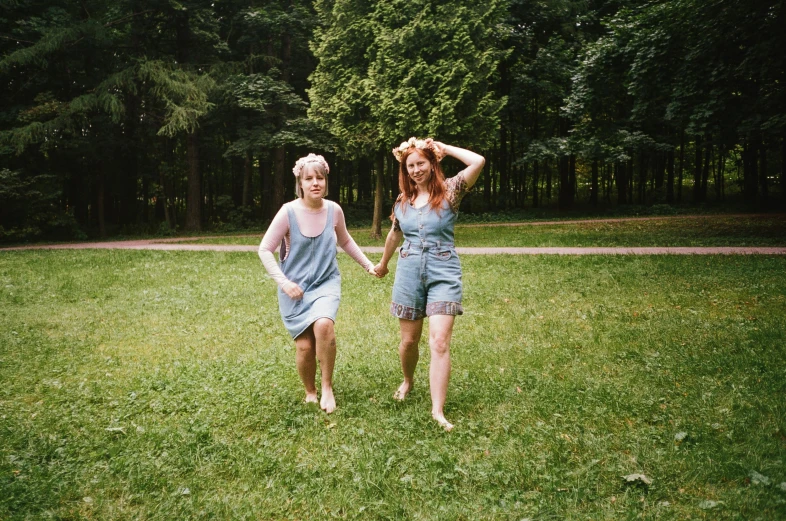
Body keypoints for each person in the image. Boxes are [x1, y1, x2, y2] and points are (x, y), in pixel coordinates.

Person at [374, 137, 485, 431]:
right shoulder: (402, 202)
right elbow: (395, 235)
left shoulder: (450, 191)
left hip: (444, 272)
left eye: (421, 163)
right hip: (408, 272)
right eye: (410, 166)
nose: (416, 170)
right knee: (409, 341)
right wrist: (383, 264)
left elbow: (478, 161)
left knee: (439, 341)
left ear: (431, 163)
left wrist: (444, 148)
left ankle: (438, 410)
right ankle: (408, 380)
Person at [259, 153, 379, 413]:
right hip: (294, 290)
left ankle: (326, 387)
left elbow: (345, 241)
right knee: (304, 347)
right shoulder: (288, 212)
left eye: (320, 178)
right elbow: (264, 249)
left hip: (326, 283)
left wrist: (369, 265)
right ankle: (310, 391)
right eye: (309, 178)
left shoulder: (334, 210)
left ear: (326, 181)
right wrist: (284, 283)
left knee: (324, 325)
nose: (315, 183)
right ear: (300, 183)